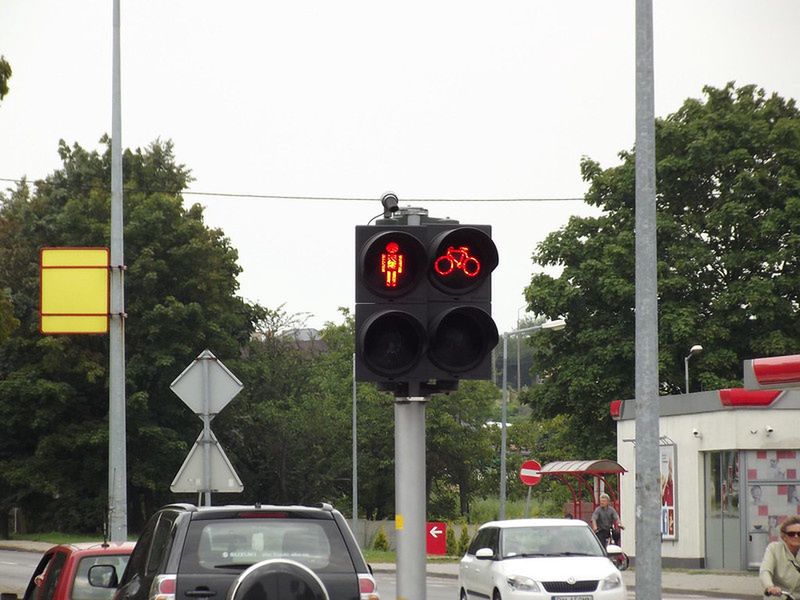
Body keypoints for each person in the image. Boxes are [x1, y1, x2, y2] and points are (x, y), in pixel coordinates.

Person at [760, 515, 800, 597]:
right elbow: (765, 571)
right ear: (784, 537)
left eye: (799, 534)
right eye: (791, 534)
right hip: (778, 596)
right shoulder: (774, 548)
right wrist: (770, 587)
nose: (796, 536)